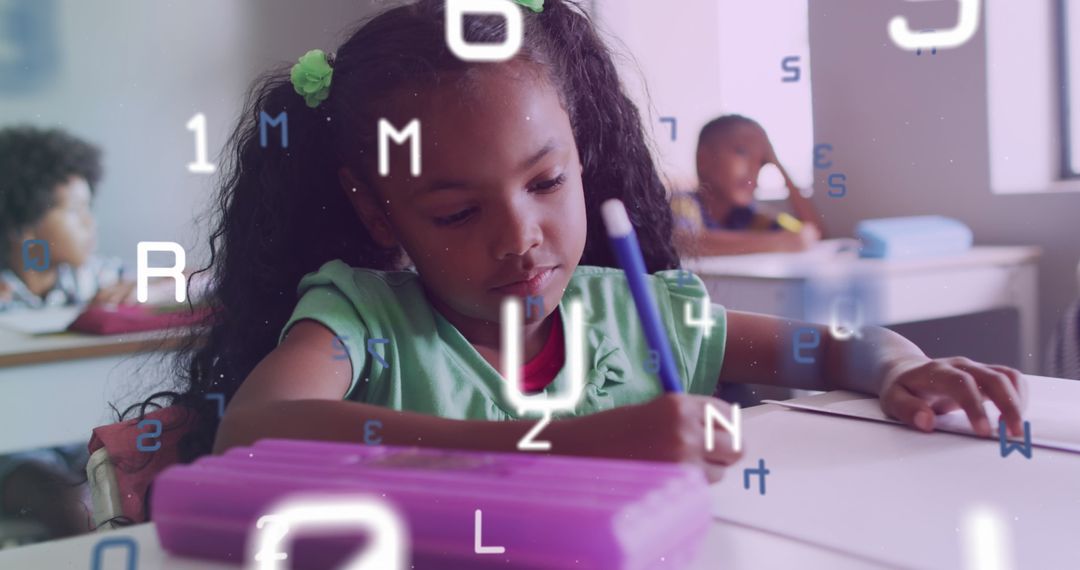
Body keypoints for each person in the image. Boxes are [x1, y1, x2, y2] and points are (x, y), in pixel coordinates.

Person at [119, 0, 1024, 502]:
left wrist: (899, 366)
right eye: (455, 212)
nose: (520, 239)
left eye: (547, 183)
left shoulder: (633, 315)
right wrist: (564, 445)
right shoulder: (365, 323)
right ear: (380, 212)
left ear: (582, 152)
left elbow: (829, 349)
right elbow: (256, 429)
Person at [672, 114, 824, 255]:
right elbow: (686, 241)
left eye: (762, 162)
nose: (753, 169)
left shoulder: (749, 217)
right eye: (742, 152)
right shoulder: (683, 203)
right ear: (704, 159)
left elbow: (812, 233)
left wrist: (778, 164)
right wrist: (778, 242)